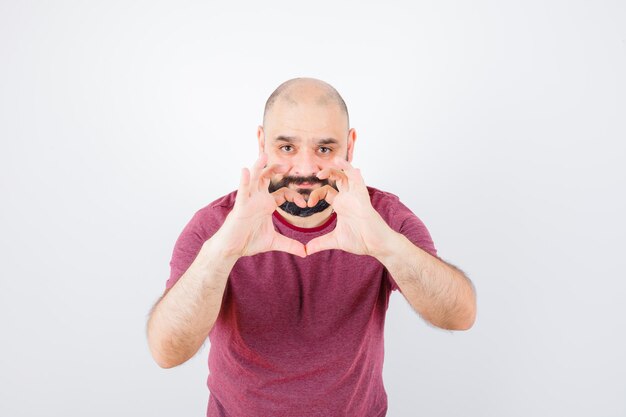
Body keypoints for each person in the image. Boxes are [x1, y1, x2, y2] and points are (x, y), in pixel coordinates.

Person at [146, 77, 477, 417]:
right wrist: (222, 254)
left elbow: (460, 315)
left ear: (350, 146)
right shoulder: (216, 225)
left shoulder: (382, 217)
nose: (305, 169)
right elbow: (167, 352)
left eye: (324, 149)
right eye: (286, 148)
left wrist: (388, 247)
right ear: (262, 142)